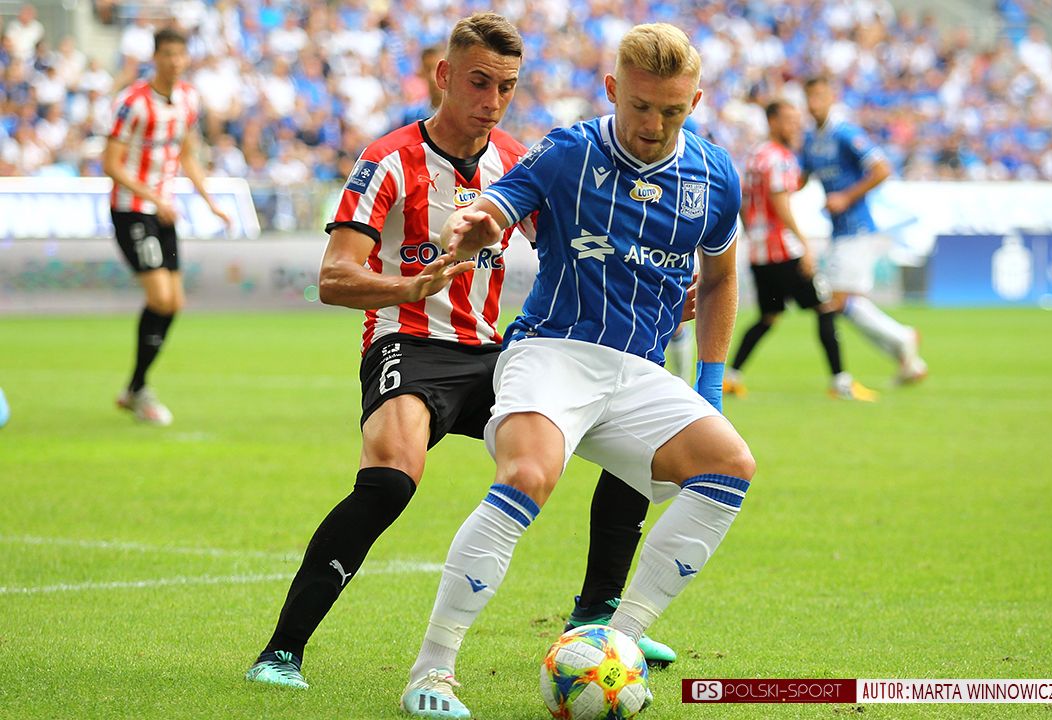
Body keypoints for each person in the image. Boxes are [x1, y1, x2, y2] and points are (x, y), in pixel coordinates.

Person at [244, 13, 673, 694]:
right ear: (444, 76)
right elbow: (333, 277)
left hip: (495, 354)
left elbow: (576, 247)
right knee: (390, 479)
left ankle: (598, 616)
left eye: (506, 87)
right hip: (407, 343)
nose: (492, 100)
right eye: (478, 82)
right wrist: (407, 286)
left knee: (631, 442)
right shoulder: (389, 159)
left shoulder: (518, 160)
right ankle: (281, 651)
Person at [401, 23, 755, 719]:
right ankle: (432, 669)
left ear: (696, 102)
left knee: (730, 467)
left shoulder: (715, 176)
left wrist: (709, 386)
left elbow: (719, 280)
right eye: (641, 106)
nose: (653, 125)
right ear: (613, 90)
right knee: (528, 475)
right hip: (554, 352)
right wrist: (475, 226)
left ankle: (615, 641)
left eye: (672, 111)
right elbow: (497, 207)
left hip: (639, 371)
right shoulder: (570, 151)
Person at [104, 28, 230, 425]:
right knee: (160, 297)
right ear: (155, 57)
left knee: (175, 302)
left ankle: (134, 389)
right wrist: (155, 198)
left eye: (180, 54)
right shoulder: (132, 103)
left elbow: (187, 154)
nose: (175, 62)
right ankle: (138, 388)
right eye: (168, 54)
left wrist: (210, 201)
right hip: (132, 210)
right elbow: (111, 164)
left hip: (163, 212)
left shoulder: (188, 99)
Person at [725, 99, 877, 401]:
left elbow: (744, 199)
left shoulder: (755, 155)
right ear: (772, 122)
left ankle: (731, 377)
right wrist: (804, 244)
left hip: (759, 253)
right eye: (789, 121)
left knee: (768, 316)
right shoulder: (779, 157)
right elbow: (780, 202)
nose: (796, 126)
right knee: (825, 307)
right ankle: (841, 382)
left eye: (798, 121)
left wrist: (754, 231)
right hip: (783, 251)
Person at [799, 77, 927, 384]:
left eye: (819, 96)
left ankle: (903, 338)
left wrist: (846, 197)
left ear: (831, 97)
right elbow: (800, 179)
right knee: (841, 303)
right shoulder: (810, 140)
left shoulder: (845, 134)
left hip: (857, 228)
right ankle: (907, 357)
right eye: (809, 97)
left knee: (835, 301)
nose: (814, 103)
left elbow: (882, 169)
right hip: (839, 231)